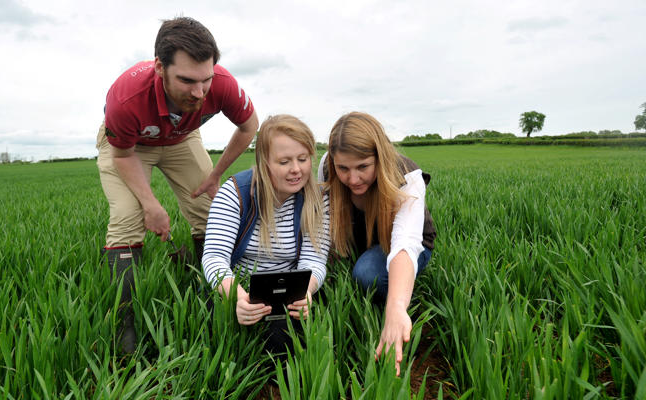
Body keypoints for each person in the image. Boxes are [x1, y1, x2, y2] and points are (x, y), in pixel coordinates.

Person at [96, 17, 258, 353]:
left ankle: (211, 293)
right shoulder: (126, 98)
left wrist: (215, 175)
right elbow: (122, 155)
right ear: (159, 67)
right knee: (127, 218)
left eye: (206, 80)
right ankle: (124, 327)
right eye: (187, 81)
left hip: (181, 138)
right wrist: (151, 205)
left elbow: (249, 126)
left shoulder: (222, 84)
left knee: (209, 209)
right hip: (132, 146)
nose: (200, 92)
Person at [319, 111, 436, 376]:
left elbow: (405, 242)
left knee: (366, 274)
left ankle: (402, 309)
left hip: (409, 246)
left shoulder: (407, 176)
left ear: (379, 158)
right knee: (334, 277)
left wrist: (395, 307)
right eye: (343, 169)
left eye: (363, 167)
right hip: (363, 241)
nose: (352, 179)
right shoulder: (327, 165)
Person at [202, 114, 329, 353]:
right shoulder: (235, 193)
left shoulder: (317, 199)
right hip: (238, 286)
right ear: (264, 163)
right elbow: (214, 257)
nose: (296, 170)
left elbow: (315, 260)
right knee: (222, 336)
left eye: (302, 159)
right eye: (284, 162)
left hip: (291, 291)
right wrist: (238, 298)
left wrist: (306, 293)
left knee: (285, 340)